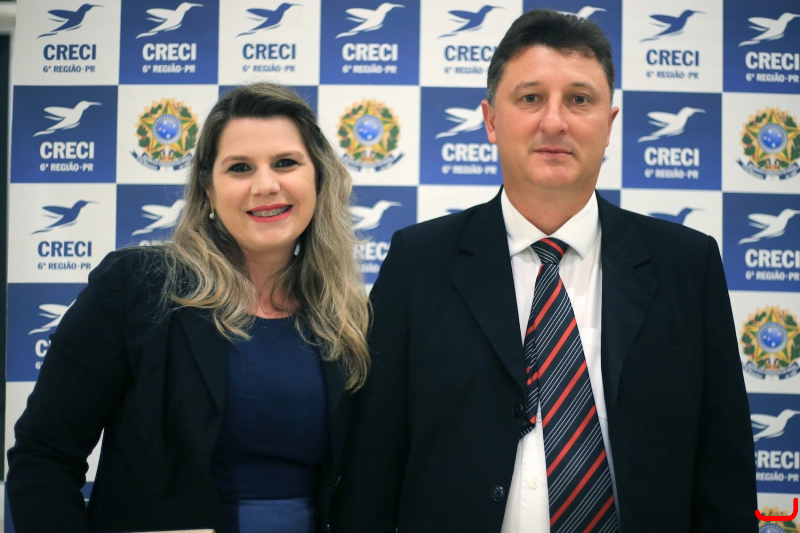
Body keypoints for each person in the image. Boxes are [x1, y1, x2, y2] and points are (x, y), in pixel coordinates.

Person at [331, 10, 757, 533]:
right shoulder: (418, 262)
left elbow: (723, 469)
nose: (554, 122)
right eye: (530, 98)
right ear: (491, 121)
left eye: (579, 100)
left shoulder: (687, 265)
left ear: (609, 125)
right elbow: (371, 468)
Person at [7, 83, 370, 533]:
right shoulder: (135, 288)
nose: (266, 185)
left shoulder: (346, 316)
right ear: (209, 191)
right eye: (239, 167)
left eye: (286, 163)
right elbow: (43, 458)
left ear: (319, 178)